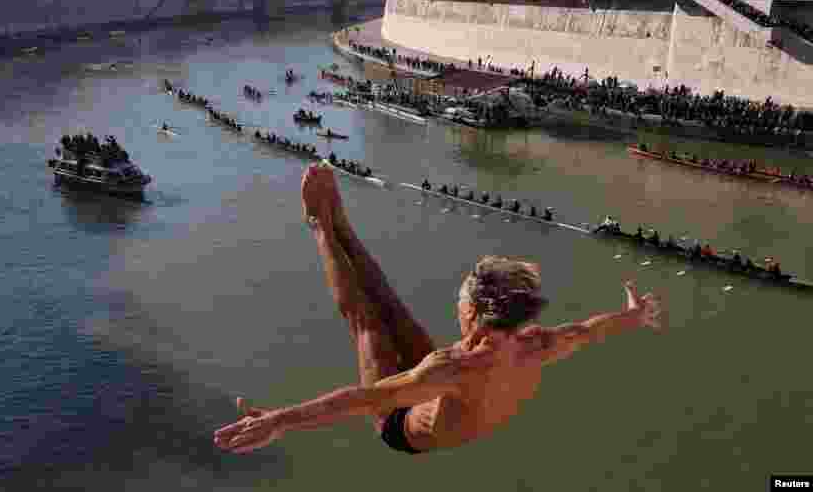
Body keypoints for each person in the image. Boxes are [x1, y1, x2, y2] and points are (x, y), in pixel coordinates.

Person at [213, 164, 663, 455]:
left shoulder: (452, 368)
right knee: (392, 306)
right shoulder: (538, 343)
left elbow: (367, 400)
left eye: (461, 298)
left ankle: (321, 228)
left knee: (367, 324)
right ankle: (345, 228)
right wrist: (633, 316)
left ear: (474, 316)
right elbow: (589, 330)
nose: (458, 302)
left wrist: (279, 421)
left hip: (401, 427)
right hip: (447, 396)